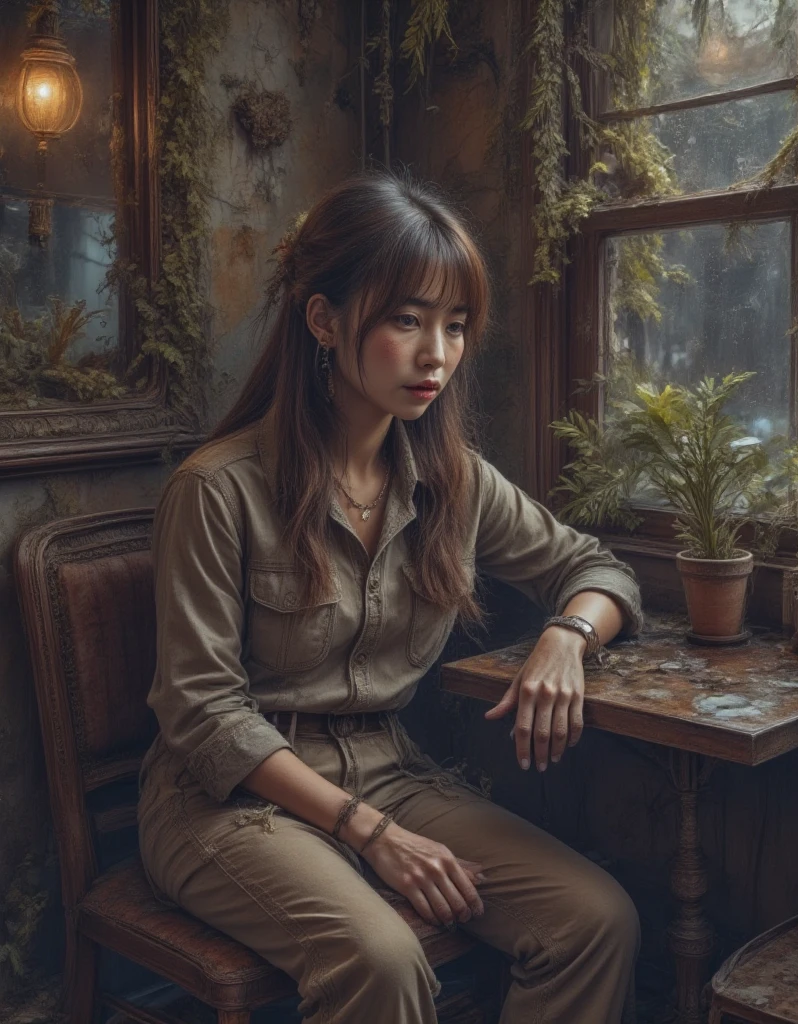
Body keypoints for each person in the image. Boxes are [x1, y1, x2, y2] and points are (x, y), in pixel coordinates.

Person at [137, 170, 644, 1024]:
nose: (435, 353)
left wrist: (566, 636)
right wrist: (365, 833)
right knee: (380, 961)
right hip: (224, 802)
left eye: (454, 325)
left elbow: (599, 569)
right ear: (325, 320)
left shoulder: (454, 480)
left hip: (392, 771)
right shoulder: (218, 490)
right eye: (406, 319)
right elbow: (203, 715)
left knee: (594, 921)